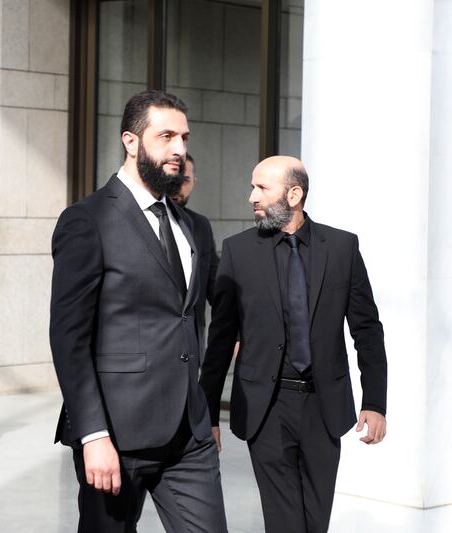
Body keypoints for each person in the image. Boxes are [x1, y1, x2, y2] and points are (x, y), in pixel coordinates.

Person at [50, 89, 227, 532]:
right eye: (166, 136)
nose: (179, 149)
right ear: (130, 141)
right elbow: (69, 339)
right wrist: (93, 435)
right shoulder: (87, 220)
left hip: (189, 434)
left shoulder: (194, 226)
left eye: (184, 138)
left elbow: (211, 308)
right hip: (116, 434)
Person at [200, 155, 387, 533]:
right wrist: (208, 414)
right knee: (284, 522)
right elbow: (220, 339)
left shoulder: (342, 247)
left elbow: (367, 329)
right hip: (265, 408)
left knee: (315, 521)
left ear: (294, 194)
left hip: (324, 406)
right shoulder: (237, 251)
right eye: (252, 187)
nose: (252, 196)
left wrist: (375, 402)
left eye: (262, 188)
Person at [170, 152, 219, 359]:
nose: (177, 186)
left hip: (192, 350)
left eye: (185, 180)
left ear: (193, 183)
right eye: (173, 178)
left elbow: (216, 288)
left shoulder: (200, 225)